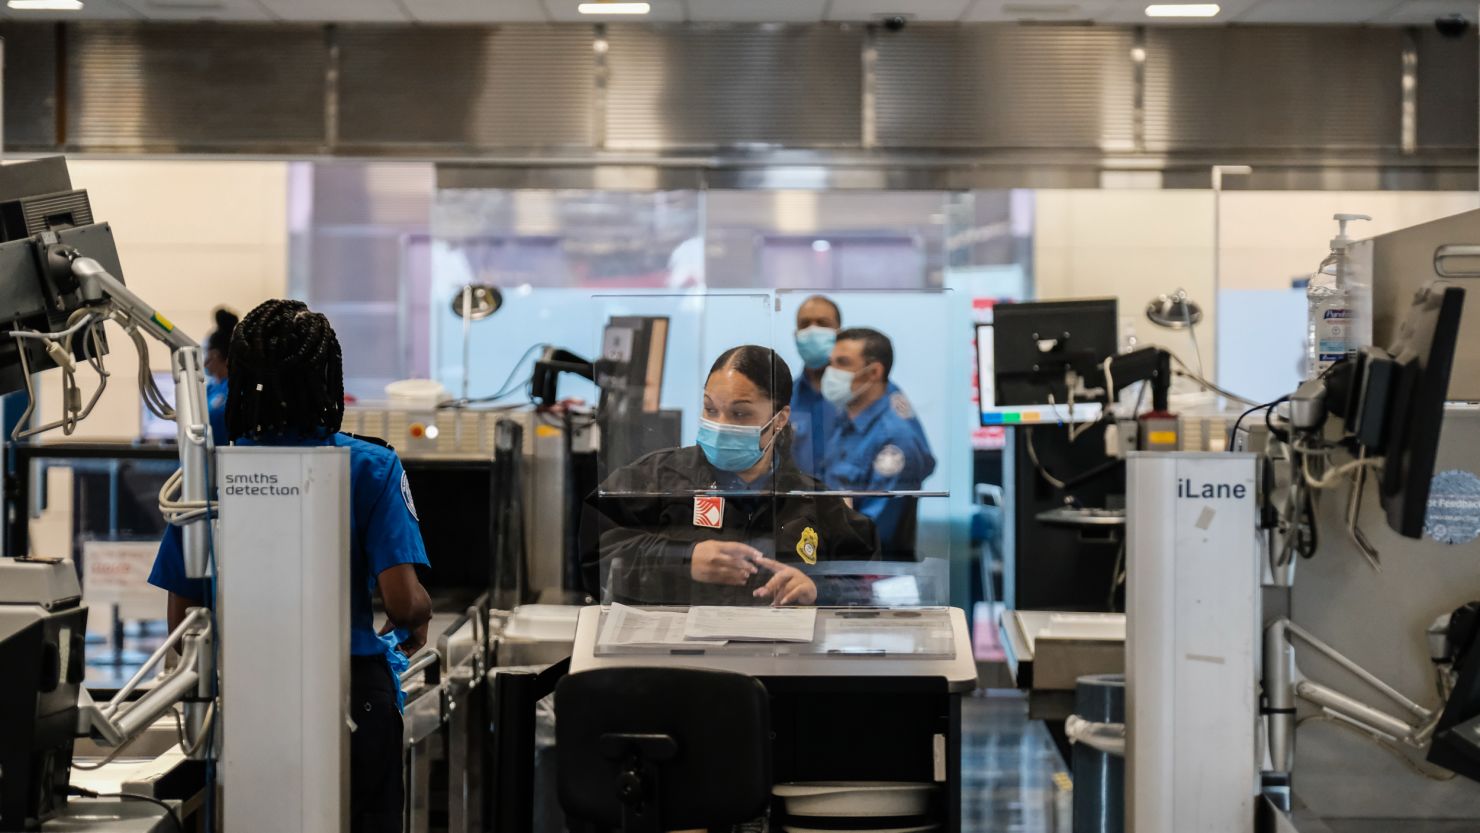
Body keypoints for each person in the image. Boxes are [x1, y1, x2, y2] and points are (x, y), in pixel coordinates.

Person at [147, 299, 432, 833]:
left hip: (246, 698)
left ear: (240, 376)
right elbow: (401, 600)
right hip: (353, 700)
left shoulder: (208, 475)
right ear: (328, 378)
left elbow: (182, 622)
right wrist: (420, 610)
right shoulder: (370, 465)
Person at [582, 345, 877, 606]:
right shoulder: (656, 479)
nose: (720, 425)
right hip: (674, 659)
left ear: (780, 419)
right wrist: (682, 558)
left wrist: (818, 588)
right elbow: (598, 553)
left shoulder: (810, 500)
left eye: (740, 414)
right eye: (710, 409)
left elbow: (867, 579)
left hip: (777, 660)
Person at [815, 327, 937, 561]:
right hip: (836, 563)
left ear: (874, 372)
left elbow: (874, 533)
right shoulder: (847, 417)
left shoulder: (894, 438)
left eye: (842, 363)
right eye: (830, 363)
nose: (830, 373)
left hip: (870, 573)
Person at [790, 294, 842, 478]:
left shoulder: (860, 394)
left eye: (822, 323)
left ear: (839, 333)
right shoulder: (785, 399)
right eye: (805, 324)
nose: (813, 330)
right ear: (795, 335)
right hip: (801, 505)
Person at [202, 307, 238, 445]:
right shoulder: (210, 388)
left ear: (216, 355)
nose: (205, 362)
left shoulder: (233, 390)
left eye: (207, 354)